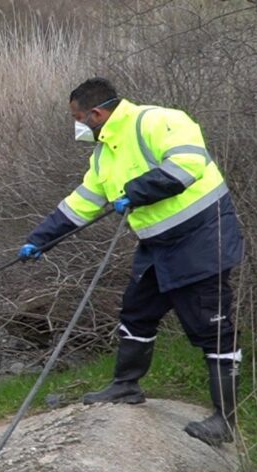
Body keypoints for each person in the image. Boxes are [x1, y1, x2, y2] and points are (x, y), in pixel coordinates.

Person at [17, 77, 244, 447]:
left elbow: (188, 165)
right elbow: (82, 202)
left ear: (96, 113)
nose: (77, 125)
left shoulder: (158, 120)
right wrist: (40, 240)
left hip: (202, 241)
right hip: (157, 247)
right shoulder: (103, 154)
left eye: (77, 118)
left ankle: (225, 421)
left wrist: (137, 191)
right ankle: (126, 386)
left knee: (213, 329)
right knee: (137, 313)